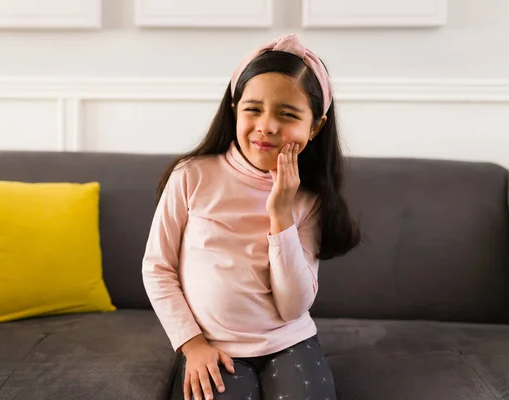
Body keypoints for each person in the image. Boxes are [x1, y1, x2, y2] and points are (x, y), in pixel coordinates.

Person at [142, 33, 361, 400]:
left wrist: (280, 213)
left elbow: (292, 306)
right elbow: (157, 268)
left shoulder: (309, 199)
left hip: (288, 341)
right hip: (212, 344)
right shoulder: (191, 176)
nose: (267, 126)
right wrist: (192, 344)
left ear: (316, 126)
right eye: (253, 109)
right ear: (234, 106)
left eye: (287, 114)